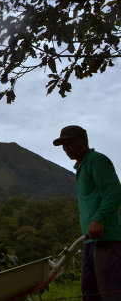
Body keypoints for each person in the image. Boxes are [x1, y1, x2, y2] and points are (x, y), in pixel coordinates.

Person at [53, 125, 121, 301]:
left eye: (70, 143)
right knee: (90, 293)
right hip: (90, 241)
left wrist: (99, 218)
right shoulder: (81, 166)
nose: (66, 148)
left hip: (107, 240)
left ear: (83, 142)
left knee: (110, 293)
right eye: (63, 144)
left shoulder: (96, 161)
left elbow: (114, 191)